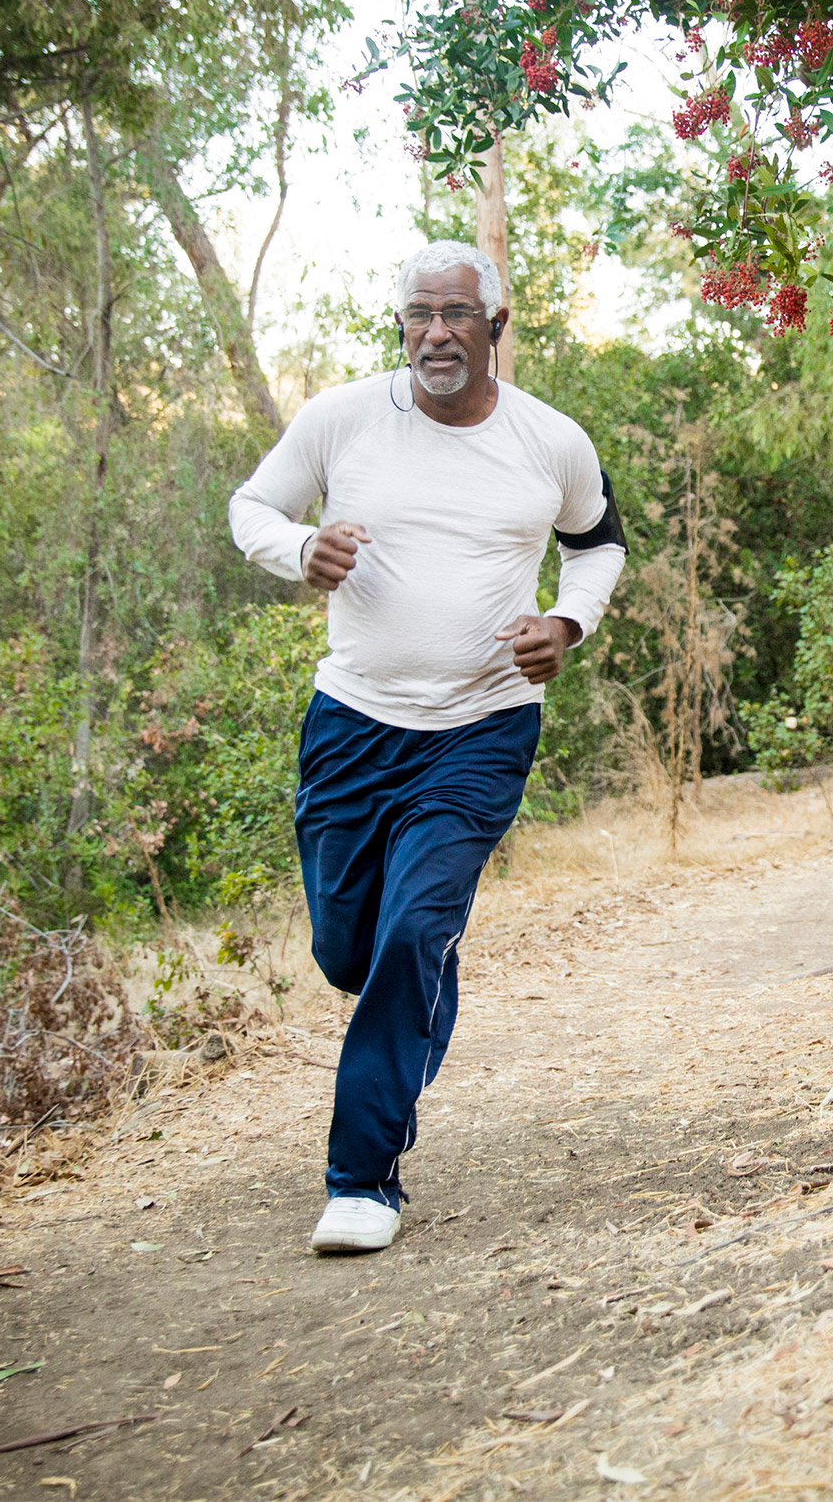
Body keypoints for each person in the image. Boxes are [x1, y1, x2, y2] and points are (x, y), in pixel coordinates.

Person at [227, 241, 626, 1253]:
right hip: (352, 723)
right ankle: (417, 983)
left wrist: (567, 625)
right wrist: (296, 550)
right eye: (418, 314)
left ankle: (362, 1178)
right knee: (347, 950)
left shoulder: (550, 440)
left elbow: (598, 542)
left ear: (495, 328)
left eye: (456, 314)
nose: (435, 332)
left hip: (482, 725)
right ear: (401, 326)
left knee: (412, 933)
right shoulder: (342, 418)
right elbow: (252, 508)